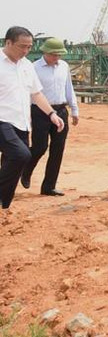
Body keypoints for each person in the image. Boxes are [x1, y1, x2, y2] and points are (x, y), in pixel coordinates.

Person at [0, 27, 64, 211]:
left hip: (22, 122)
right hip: (2, 120)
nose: (26, 51)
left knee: (14, 164)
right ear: (8, 42)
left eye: (29, 47)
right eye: (22, 46)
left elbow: (36, 94)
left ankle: (4, 206)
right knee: (22, 154)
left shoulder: (27, 66)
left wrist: (52, 114)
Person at [20, 38, 79, 196]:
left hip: (60, 110)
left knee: (58, 149)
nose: (56, 58)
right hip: (40, 111)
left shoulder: (64, 66)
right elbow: (30, 93)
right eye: (53, 54)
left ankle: (49, 186)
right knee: (40, 147)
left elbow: (69, 88)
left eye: (59, 55)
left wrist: (74, 109)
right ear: (44, 52)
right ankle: (26, 170)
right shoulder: (34, 68)